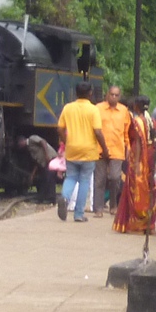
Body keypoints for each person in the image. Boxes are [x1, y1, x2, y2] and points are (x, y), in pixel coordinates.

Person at [56, 81, 101, 222]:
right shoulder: (93, 110)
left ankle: (65, 197)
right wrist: (104, 149)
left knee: (70, 177)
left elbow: (60, 129)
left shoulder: (68, 108)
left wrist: (66, 141)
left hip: (72, 149)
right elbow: (98, 132)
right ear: (90, 93)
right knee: (84, 181)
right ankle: (79, 214)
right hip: (89, 151)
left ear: (76, 93)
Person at [113, 95, 156, 235]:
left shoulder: (137, 121)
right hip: (150, 158)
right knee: (149, 188)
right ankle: (148, 224)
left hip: (140, 159)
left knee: (136, 189)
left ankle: (137, 224)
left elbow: (138, 143)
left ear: (136, 106)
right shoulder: (152, 121)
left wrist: (137, 163)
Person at [94, 84, 131, 214]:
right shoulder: (98, 108)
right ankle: (98, 208)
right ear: (107, 95)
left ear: (119, 97)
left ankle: (113, 205)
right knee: (100, 179)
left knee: (115, 177)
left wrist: (128, 147)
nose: (114, 97)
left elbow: (126, 132)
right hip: (99, 149)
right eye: (112, 94)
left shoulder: (124, 111)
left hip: (117, 149)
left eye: (116, 95)